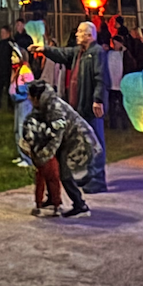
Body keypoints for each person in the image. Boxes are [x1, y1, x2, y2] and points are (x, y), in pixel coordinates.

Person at [38, 20, 110, 193]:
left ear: (89, 35)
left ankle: (98, 179)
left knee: (96, 142)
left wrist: (98, 99)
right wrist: (45, 50)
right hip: (79, 105)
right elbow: (63, 54)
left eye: (80, 32)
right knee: (84, 143)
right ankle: (87, 177)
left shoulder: (96, 52)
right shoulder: (80, 52)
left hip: (90, 106)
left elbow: (101, 78)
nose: (76, 34)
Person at [21, 80, 101, 219]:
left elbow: (57, 136)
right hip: (67, 140)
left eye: (30, 96)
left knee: (65, 173)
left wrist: (43, 155)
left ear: (36, 97)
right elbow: (34, 120)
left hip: (78, 140)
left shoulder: (55, 108)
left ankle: (80, 205)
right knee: (54, 170)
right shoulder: (43, 104)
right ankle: (53, 199)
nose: (28, 98)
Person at [9, 45, 35, 167]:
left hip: (24, 103)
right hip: (18, 103)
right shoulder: (16, 70)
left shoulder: (25, 70)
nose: (11, 58)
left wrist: (20, 93)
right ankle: (21, 154)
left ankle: (28, 158)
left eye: (14, 56)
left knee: (22, 129)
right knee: (16, 130)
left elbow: (28, 88)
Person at [106, 37, 126, 129]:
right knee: (112, 105)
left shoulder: (124, 54)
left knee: (122, 105)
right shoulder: (110, 54)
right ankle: (113, 124)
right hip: (112, 84)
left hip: (121, 83)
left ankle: (123, 124)